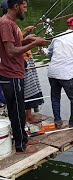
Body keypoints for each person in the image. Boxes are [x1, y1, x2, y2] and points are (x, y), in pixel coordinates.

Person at [0, 0, 48, 154]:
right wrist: (34, 44)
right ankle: (21, 146)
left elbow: (15, 43)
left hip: (16, 73)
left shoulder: (11, 23)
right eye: (24, 7)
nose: (26, 10)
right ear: (16, 6)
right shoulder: (6, 23)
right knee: (16, 111)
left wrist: (28, 40)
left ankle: (23, 139)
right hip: (10, 74)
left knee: (20, 109)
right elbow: (11, 51)